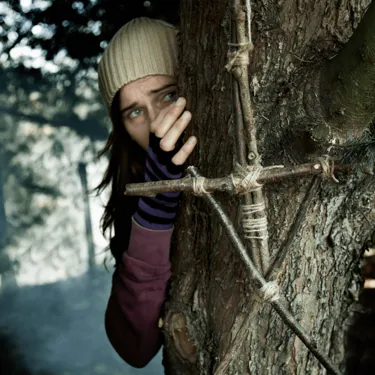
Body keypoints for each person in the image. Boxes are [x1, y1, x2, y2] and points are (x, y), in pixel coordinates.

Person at [97, 17, 197, 368]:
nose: (155, 122)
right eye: (135, 112)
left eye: (168, 94)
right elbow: (133, 347)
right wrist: (154, 214)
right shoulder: (133, 195)